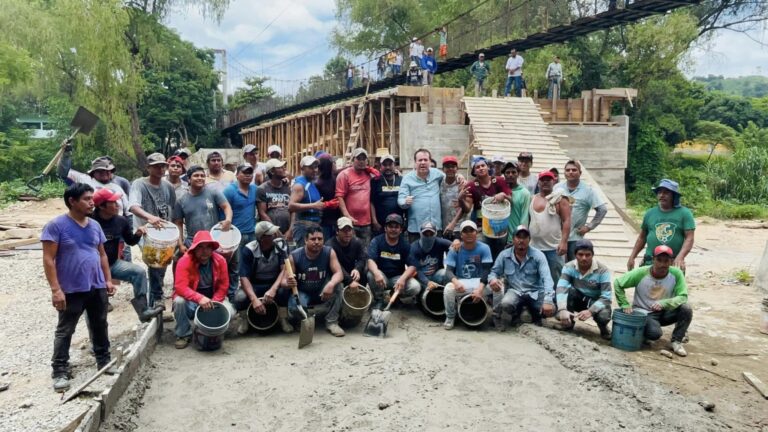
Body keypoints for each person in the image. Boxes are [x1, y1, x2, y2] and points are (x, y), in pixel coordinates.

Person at [42, 183, 115, 392]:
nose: (92, 202)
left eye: (92, 198)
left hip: (96, 284)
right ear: (72, 201)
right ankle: (60, 371)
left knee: (100, 324)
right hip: (71, 289)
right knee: (66, 330)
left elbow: (101, 254)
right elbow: (48, 259)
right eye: (86, 199)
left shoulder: (94, 225)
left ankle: (104, 361)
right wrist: (56, 289)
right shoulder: (56, 226)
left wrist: (107, 280)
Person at [92, 188, 164, 322]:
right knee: (96, 309)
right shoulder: (89, 221)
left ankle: (144, 310)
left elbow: (130, 241)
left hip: (113, 264)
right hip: (92, 270)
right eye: (113, 202)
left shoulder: (121, 221)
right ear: (101, 206)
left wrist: (138, 234)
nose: (118, 205)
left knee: (138, 272)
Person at [615, 245, 693, 357]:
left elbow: (683, 296)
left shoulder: (676, 273)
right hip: (645, 312)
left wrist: (664, 303)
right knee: (654, 334)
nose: (662, 264)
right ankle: (644, 333)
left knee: (686, 309)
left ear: (671, 262)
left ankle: (676, 341)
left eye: (666, 261)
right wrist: (624, 304)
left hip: (665, 311)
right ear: (653, 260)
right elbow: (618, 283)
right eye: (659, 260)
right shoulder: (641, 273)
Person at [172, 165, 234, 302]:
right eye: (196, 176)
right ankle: (184, 299)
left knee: (221, 268)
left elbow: (226, 206)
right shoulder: (181, 200)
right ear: (189, 179)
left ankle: (222, 299)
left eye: (202, 175)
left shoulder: (213, 193)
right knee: (184, 266)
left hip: (213, 241)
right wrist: (181, 244)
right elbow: (178, 223)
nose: (200, 178)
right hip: (192, 242)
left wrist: (228, 220)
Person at [128, 152, 177, 308]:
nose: (160, 169)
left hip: (164, 232)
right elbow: (133, 206)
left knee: (162, 265)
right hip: (145, 232)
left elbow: (171, 207)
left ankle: (155, 299)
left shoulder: (168, 186)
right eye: (156, 166)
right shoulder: (139, 184)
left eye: (163, 166)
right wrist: (150, 218)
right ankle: (156, 299)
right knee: (155, 261)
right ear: (148, 168)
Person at [489, 225, 554, 329]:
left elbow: (547, 278)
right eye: (518, 237)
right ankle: (515, 314)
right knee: (506, 304)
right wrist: (492, 280)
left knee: (550, 310)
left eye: (525, 237)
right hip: (515, 292)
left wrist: (548, 300)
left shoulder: (539, 256)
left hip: (535, 292)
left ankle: (533, 313)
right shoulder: (504, 255)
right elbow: (494, 272)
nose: (521, 240)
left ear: (529, 240)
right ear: (513, 239)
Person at [172, 230, 229, 349]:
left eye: (208, 247)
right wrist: (199, 298)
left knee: (231, 311)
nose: (204, 251)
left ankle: (212, 329)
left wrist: (214, 302)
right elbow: (180, 287)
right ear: (194, 249)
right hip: (191, 300)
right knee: (179, 301)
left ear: (212, 249)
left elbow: (223, 286)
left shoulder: (220, 260)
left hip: (212, 298)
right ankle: (183, 334)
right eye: (200, 247)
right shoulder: (184, 261)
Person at [285, 226, 346, 337]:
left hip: (321, 290)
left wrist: (331, 284)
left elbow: (339, 273)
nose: (317, 242)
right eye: (313, 239)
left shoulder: (329, 252)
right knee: (294, 306)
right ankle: (303, 320)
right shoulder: (294, 256)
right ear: (305, 240)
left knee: (338, 285)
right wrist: (288, 282)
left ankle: (331, 322)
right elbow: (283, 282)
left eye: (320, 239)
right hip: (303, 292)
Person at [233, 221, 291, 335]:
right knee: (240, 297)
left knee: (284, 289)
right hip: (255, 284)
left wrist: (273, 289)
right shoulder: (249, 250)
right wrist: (254, 299)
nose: (275, 235)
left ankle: (283, 318)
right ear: (262, 238)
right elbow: (244, 277)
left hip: (274, 282)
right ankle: (245, 320)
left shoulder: (281, 245)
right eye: (271, 234)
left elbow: (285, 269)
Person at [627, 179, 695, 272]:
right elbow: (642, 238)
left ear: (673, 196)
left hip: (672, 262)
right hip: (650, 262)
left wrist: (680, 257)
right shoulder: (650, 213)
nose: (662, 195)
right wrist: (632, 257)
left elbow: (689, 238)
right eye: (660, 192)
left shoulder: (684, 213)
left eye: (666, 192)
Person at [555, 239, 612, 339]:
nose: (584, 258)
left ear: (592, 255)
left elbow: (607, 297)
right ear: (575, 255)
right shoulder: (569, 267)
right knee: (569, 291)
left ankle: (603, 327)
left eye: (587, 255)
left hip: (595, 301)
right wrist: (562, 309)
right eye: (580, 254)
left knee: (604, 316)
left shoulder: (603, 270)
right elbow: (561, 287)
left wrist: (590, 311)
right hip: (578, 298)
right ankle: (568, 323)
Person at [442, 220, 494, 330]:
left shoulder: (484, 248)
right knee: (448, 288)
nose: (469, 233)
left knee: (498, 287)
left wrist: (480, 289)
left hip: (480, 282)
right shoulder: (455, 249)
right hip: (462, 282)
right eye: (465, 231)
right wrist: (456, 282)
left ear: (477, 233)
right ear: (461, 235)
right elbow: (448, 271)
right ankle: (450, 316)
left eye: (472, 230)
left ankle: (496, 317)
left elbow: (486, 270)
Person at [555, 160, 607, 261]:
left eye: (574, 170)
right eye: (568, 170)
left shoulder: (588, 190)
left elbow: (602, 209)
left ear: (580, 173)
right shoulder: (557, 188)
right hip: (557, 236)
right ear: (564, 172)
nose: (570, 172)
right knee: (558, 268)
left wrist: (589, 227)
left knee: (574, 267)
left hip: (575, 237)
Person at [367, 214, 421, 308]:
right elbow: (370, 260)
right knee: (371, 274)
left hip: (397, 278)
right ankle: (379, 299)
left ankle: (395, 296)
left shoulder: (405, 244)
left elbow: (412, 266)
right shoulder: (376, 241)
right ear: (385, 228)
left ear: (400, 230)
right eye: (390, 226)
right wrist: (376, 273)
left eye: (396, 227)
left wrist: (403, 279)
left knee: (415, 287)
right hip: (381, 277)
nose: (393, 229)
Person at [530, 170, 571, 289]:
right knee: (536, 278)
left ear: (554, 181)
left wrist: (563, 242)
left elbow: (567, 221)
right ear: (538, 182)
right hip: (535, 247)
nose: (545, 182)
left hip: (554, 248)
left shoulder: (560, 199)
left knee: (556, 279)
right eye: (543, 180)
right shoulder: (532, 198)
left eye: (548, 180)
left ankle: (559, 304)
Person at [464, 157, 511, 258]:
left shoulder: (499, 181)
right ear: (474, 171)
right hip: (482, 226)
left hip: (499, 225)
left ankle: (498, 272)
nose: (481, 168)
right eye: (477, 167)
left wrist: (504, 195)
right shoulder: (471, 186)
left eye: (483, 165)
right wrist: (460, 199)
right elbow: (467, 208)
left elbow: (511, 200)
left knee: (500, 254)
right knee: (483, 252)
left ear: (488, 167)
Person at [57, 152, 130, 215]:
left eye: (107, 170)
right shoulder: (84, 179)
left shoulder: (120, 183)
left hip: (117, 222)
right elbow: (63, 173)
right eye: (100, 171)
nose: (104, 173)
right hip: (92, 219)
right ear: (93, 172)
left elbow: (129, 209)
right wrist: (66, 155)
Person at [398, 148, 446, 243]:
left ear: (430, 162)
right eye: (420, 160)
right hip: (417, 228)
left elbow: (449, 178)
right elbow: (400, 199)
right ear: (415, 163)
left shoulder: (437, 174)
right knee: (416, 255)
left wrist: (459, 176)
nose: (423, 162)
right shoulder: (407, 179)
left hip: (435, 226)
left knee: (436, 256)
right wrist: (405, 202)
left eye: (425, 160)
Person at [336, 148, 375, 246]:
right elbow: (339, 197)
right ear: (353, 160)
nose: (361, 161)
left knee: (365, 253)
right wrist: (347, 216)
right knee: (350, 251)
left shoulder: (370, 175)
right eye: (358, 158)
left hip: (366, 223)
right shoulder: (344, 175)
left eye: (364, 159)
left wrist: (397, 171)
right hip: (349, 223)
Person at [289, 156, 325, 247]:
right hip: (303, 226)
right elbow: (291, 206)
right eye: (310, 167)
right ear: (302, 168)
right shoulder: (300, 185)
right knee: (303, 256)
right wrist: (313, 206)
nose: (314, 170)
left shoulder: (311, 183)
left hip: (315, 225)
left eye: (315, 167)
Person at [408, 221, 452, 293]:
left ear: (435, 234)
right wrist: (427, 282)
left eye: (431, 234)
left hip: (436, 275)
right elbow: (416, 270)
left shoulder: (440, 243)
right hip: (420, 278)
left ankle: (444, 294)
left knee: (446, 274)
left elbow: (456, 247)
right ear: (420, 234)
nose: (428, 236)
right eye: (425, 234)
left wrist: (456, 241)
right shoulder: (414, 248)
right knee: (418, 287)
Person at [327, 217, 369, 292]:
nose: (347, 233)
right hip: (335, 273)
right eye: (344, 230)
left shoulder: (357, 242)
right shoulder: (330, 246)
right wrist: (350, 281)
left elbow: (362, 258)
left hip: (351, 270)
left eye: (349, 230)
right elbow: (337, 267)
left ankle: (359, 295)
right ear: (337, 231)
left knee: (364, 272)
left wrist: (357, 269)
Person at [223, 163, 258, 247]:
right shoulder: (229, 190)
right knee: (238, 260)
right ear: (237, 175)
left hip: (252, 233)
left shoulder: (255, 189)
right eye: (244, 173)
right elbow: (222, 211)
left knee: (252, 259)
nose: (247, 175)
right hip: (235, 233)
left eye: (250, 173)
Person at [257, 158, 293, 239]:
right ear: (272, 171)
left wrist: (290, 230)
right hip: (270, 233)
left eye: (284, 166)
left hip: (288, 232)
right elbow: (262, 213)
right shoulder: (262, 189)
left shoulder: (287, 188)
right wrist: (275, 230)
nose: (284, 169)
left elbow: (292, 211)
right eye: (280, 167)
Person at [370, 154, 404, 236]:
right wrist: (374, 221)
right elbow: (371, 202)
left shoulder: (402, 180)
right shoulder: (375, 181)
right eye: (385, 165)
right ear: (380, 166)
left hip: (397, 225)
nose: (388, 167)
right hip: (380, 225)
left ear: (394, 165)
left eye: (390, 164)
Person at [439, 155, 469, 240]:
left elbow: (465, 207)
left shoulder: (462, 184)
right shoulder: (440, 182)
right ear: (443, 169)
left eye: (453, 166)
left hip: (459, 227)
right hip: (444, 227)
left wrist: (453, 223)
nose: (450, 169)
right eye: (447, 167)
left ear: (457, 168)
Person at [502, 161, 531, 239]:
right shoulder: (500, 191)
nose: (510, 175)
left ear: (518, 174)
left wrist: (521, 237)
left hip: (515, 239)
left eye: (513, 172)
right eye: (507, 172)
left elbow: (524, 218)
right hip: (499, 238)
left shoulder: (524, 193)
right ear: (504, 175)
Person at [316, 155, 341, 240]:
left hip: (337, 219)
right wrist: (326, 204)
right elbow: (315, 203)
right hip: (325, 221)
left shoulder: (336, 178)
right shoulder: (318, 183)